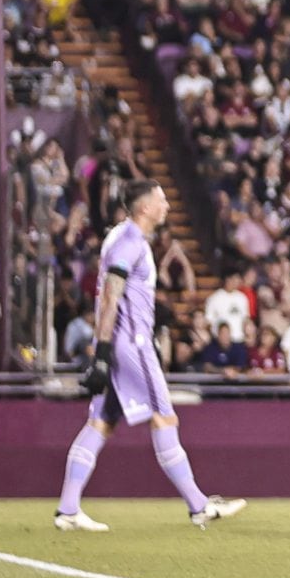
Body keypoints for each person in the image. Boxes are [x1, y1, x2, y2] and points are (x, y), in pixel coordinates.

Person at [53, 179, 247, 532]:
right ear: (145, 207)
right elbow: (112, 294)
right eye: (161, 200)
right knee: (164, 417)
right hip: (131, 343)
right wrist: (104, 350)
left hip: (120, 343)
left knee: (101, 422)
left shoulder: (120, 237)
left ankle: (68, 508)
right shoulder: (130, 243)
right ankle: (199, 506)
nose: (167, 207)